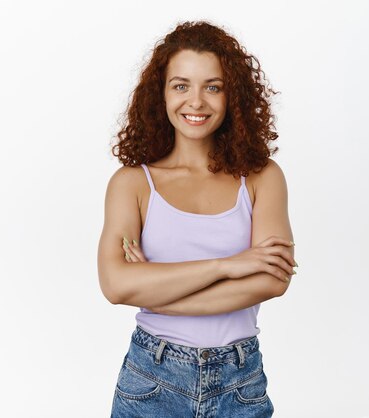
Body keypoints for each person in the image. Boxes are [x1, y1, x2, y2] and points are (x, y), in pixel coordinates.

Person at [97, 20, 297, 417]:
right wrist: (229, 265)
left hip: (240, 381)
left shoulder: (262, 177)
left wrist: (158, 291)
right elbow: (117, 285)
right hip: (151, 378)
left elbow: (272, 280)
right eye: (181, 85)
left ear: (232, 95)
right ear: (162, 93)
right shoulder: (133, 184)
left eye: (213, 86)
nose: (196, 101)